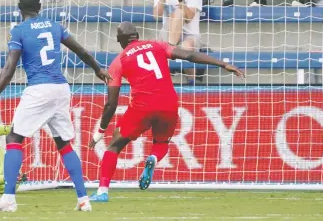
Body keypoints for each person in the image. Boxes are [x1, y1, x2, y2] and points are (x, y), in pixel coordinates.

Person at [0, 0, 111, 213]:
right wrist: (97, 68)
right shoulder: (54, 26)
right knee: (64, 144)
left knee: (14, 137)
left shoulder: (18, 30)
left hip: (39, 88)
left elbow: (10, 68)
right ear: (39, 7)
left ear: (19, 8)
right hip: (61, 88)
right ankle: (83, 199)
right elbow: (80, 51)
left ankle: (8, 198)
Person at [89, 22, 244, 202]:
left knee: (115, 144)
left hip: (142, 106)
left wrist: (100, 131)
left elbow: (111, 103)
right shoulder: (158, 45)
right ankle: (153, 158)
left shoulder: (118, 62)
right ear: (137, 36)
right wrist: (223, 64)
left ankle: (102, 192)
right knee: (161, 142)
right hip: (169, 103)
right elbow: (190, 55)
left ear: (118, 39)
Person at [153, 0, 203, 83]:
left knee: (187, 46)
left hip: (189, 33)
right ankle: (166, 81)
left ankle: (191, 82)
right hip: (167, 31)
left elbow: (189, 18)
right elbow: (156, 16)